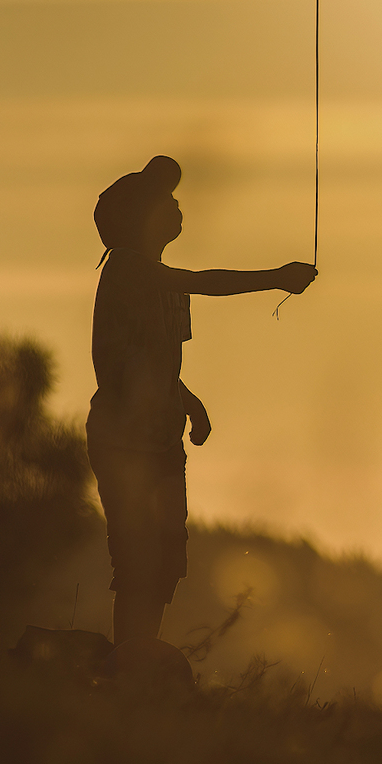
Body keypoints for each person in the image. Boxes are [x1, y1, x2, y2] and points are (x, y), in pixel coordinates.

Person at [86, 155, 316, 649]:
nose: (176, 207)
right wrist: (275, 276)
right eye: (165, 201)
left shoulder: (163, 281)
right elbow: (206, 281)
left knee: (166, 558)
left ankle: (140, 654)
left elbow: (159, 362)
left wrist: (189, 402)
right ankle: (131, 661)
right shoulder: (128, 268)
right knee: (136, 559)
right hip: (123, 442)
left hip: (161, 439)